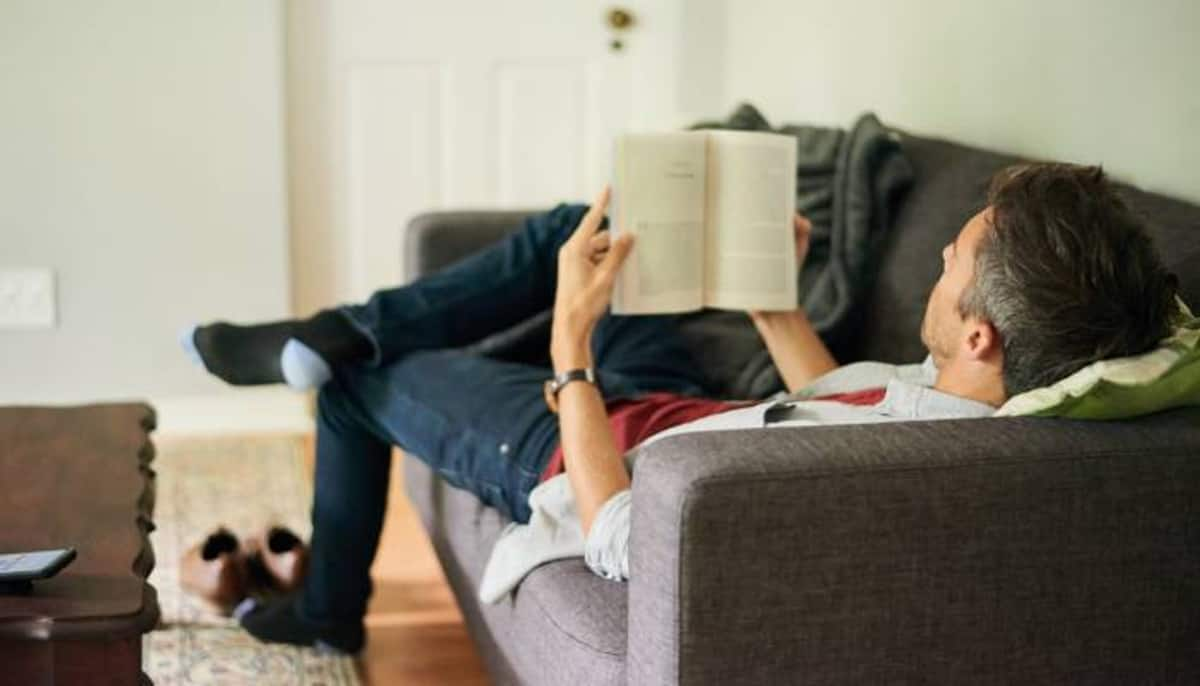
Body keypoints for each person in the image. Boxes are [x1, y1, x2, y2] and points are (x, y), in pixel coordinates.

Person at [182, 163, 1178, 653]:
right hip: (686, 415)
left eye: (954, 259)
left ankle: (326, 605)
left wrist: (571, 347)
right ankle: (344, 325)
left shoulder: (896, 463)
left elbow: (623, 530)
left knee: (361, 386)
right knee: (600, 222)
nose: (941, 260)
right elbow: (828, 401)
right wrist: (775, 301)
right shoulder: (966, 403)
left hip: (585, 451)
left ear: (980, 335)